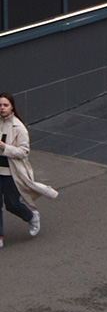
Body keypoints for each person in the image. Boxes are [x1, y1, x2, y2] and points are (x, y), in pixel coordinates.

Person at [0, 93, 56, 249]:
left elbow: (24, 152)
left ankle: (31, 216)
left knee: (12, 204)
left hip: (11, 173)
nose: (2, 108)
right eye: (0, 105)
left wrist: (5, 147)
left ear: (12, 107)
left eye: (5, 105)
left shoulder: (18, 127)